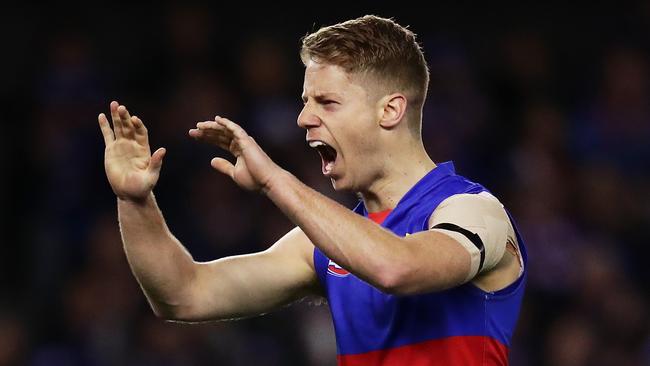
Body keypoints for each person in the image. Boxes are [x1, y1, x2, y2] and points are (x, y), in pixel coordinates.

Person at [98, 15, 526, 366]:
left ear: (391, 110)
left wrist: (273, 179)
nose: (303, 118)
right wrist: (135, 199)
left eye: (327, 102)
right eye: (305, 101)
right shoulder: (325, 244)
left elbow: (398, 268)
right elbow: (183, 295)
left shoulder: (474, 212)